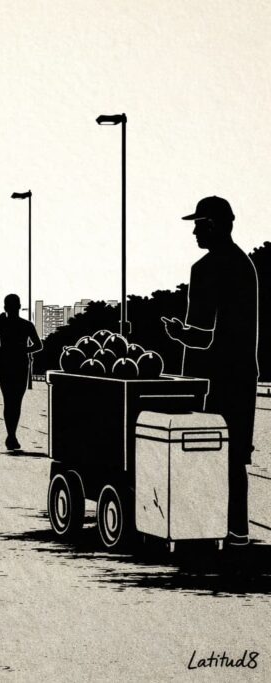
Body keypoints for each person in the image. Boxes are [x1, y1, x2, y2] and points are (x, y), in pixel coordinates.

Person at [163, 196, 259, 547]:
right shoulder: (246, 265)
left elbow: (202, 337)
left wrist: (177, 333)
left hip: (208, 380)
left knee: (200, 450)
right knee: (234, 455)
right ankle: (238, 531)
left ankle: (201, 528)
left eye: (199, 224)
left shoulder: (204, 269)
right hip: (242, 376)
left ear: (214, 225)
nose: (193, 231)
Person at [0, 294, 42, 451]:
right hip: (19, 363)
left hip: (5, 363)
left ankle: (11, 434)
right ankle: (11, 435)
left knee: (9, 400)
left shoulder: (1, 323)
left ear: (5, 307)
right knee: (16, 401)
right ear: (19, 306)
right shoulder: (26, 325)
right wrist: (24, 349)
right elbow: (38, 345)